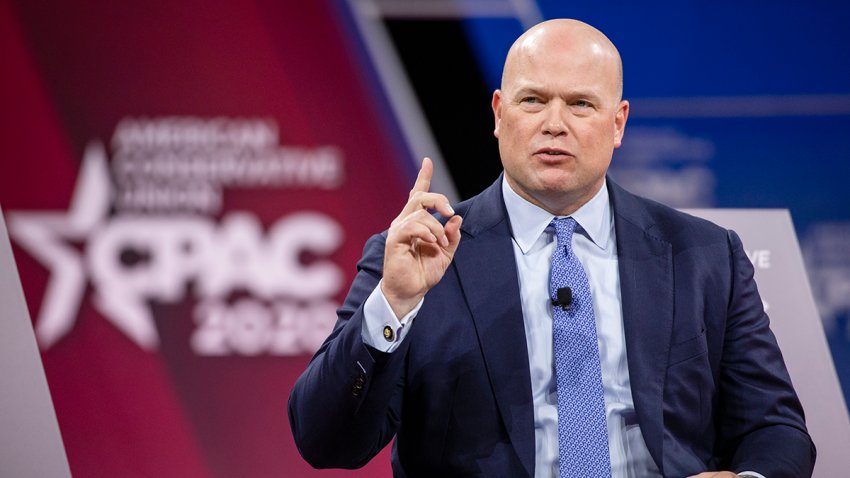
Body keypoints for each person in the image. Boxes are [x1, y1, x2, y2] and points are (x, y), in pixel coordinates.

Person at [288, 18, 815, 478]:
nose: (554, 124)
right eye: (533, 100)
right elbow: (325, 442)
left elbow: (776, 427)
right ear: (499, 113)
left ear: (618, 123)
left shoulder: (704, 255)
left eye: (581, 104)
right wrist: (394, 304)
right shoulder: (417, 253)